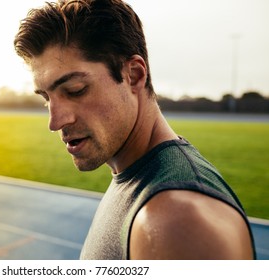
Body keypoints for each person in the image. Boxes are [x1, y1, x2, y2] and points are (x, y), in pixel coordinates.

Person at [14, 0, 256, 259]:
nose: (55, 121)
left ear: (134, 75)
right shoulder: (136, 179)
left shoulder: (175, 221)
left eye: (75, 90)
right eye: (46, 98)